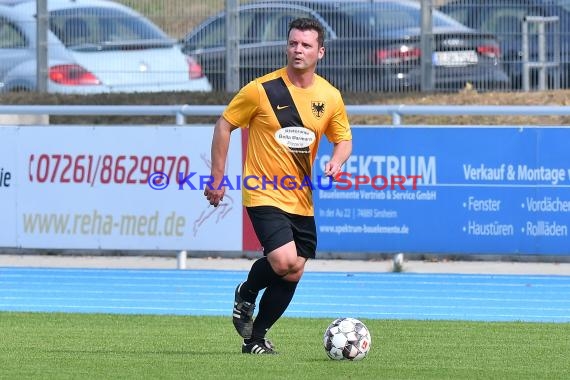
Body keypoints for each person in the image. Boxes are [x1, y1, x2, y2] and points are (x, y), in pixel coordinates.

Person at [203, 17, 352, 354]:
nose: (298, 50)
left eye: (306, 45)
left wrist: (338, 160)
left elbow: (343, 139)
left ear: (320, 52)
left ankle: (255, 339)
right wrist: (217, 176)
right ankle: (246, 292)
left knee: (294, 271)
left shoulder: (329, 96)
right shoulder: (261, 89)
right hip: (262, 190)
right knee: (284, 261)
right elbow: (224, 125)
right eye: (293, 43)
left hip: (301, 197)